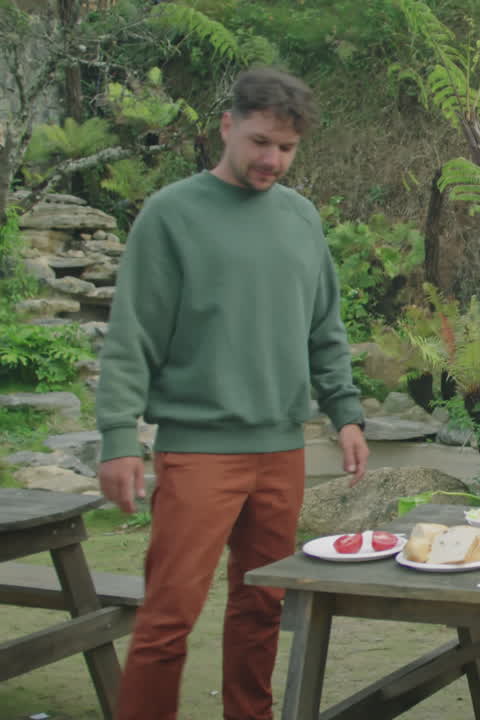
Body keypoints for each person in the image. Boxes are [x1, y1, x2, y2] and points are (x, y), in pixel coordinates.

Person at [95, 67, 369, 720]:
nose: (272, 159)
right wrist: (116, 437)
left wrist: (347, 414)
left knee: (263, 608)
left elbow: (323, 329)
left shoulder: (301, 219)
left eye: (286, 148)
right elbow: (133, 334)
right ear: (227, 127)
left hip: (281, 449)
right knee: (168, 618)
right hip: (198, 450)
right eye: (260, 142)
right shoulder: (171, 215)